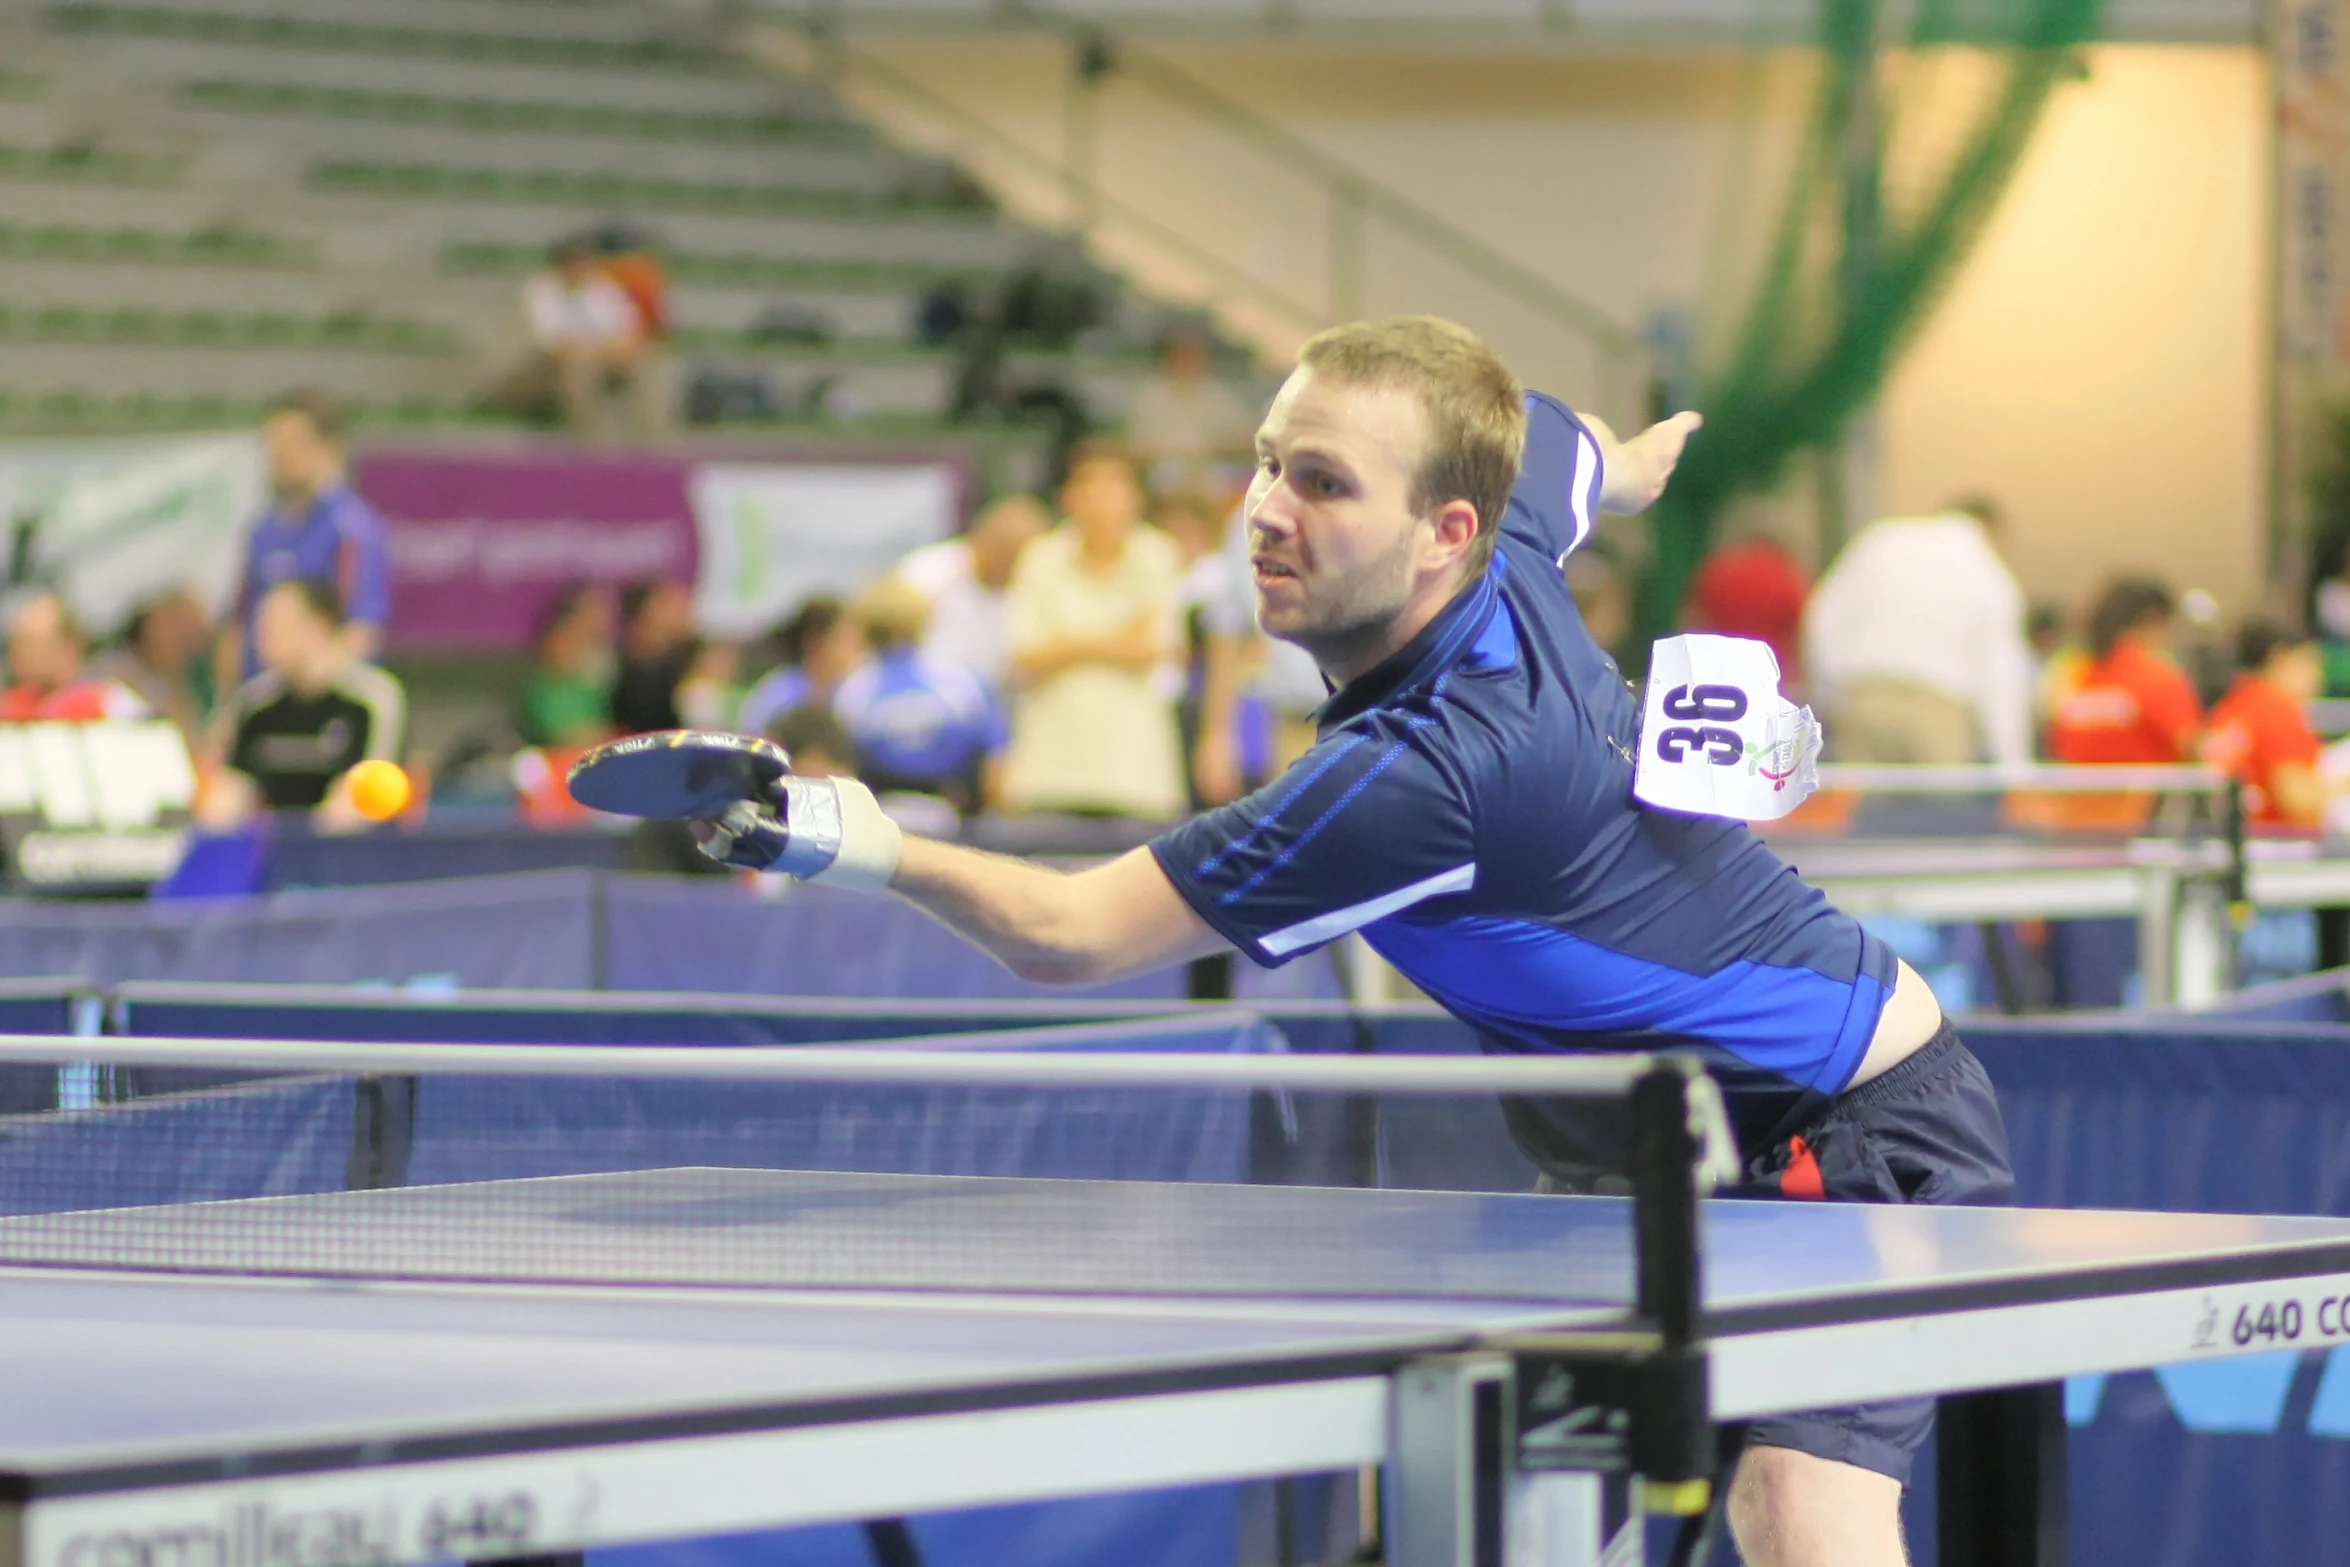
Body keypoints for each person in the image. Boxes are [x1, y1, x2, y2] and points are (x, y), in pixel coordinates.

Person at [687, 315, 2008, 1567]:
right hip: (1635, 1154)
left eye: (1320, 482)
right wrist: (1633, 461)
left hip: (1842, 1126)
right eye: (1265, 461)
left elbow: (1069, 930)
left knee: (1798, 1510)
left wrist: (838, 833)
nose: (1265, 509)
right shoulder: (1511, 522)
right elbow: (1572, 445)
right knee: (1475, 1482)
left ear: (1442, 531)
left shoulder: (1420, 774)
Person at [999, 440, 1185, 819]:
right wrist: (1116, 639)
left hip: (1136, 776)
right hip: (1049, 773)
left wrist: (1069, 642)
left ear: (1135, 497)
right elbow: (1026, 656)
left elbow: (1153, 648)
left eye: (1115, 486)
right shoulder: (1040, 558)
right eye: (1089, 485)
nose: (1101, 499)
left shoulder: (1157, 555)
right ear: (1069, 496)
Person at [1802, 496, 2032, 765]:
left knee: (1863, 803)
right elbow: (2001, 674)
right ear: (1991, 530)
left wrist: (1829, 697)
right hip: (1939, 705)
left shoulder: (1879, 540)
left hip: (1864, 698)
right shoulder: (1984, 567)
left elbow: (1822, 618)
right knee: (1938, 805)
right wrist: (2014, 766)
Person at [220, 389, 390, 688]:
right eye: (273, 443)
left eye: (292, 443)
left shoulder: (351, 528)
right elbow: (239, 624)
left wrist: (316, 688)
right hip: (262, 698)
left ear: (328, 446)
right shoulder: (263, 531)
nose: (279, 454)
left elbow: (361, 629)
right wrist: (229, 704)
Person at [209, 578, 406, 824]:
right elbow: (231, 789)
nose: (263, 638)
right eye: (261, 626)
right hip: (274, 850)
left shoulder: (370, 699)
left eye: (278, 625)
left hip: (349, 850)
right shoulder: (255, 703)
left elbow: (361, 798)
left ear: (319, 626)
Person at [831, 577, 1004, 815]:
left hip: (877, 814)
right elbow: (995, 761)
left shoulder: (852, 689)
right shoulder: (961, 681)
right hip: (953, 813)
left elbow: (840, 767)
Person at [496, 235, 668, 445]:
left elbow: (625, 331)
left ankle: (656, 441)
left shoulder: (602, 288)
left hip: (599, 358)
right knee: (579, 365)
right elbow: (550, 342)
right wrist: (593, 347)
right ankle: (592, 443)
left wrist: (614, 349)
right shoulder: (541, 290)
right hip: (547, 368)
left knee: (644, 360)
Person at [892, 493, 1050, 693]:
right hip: (919, 699)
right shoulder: (925, 575)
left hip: (987, 707)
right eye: (1008, 558)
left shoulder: (1023, 592)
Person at [2048, 577, 2202, 765]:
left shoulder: (2072, 676)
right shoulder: (2158, 677)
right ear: (2153, 620)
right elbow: (2191, 745)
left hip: (2078, 791)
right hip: (2148, 791)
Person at [2203, 619, 2327, 828]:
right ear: (2280, 658)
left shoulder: (2230, 705)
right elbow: (2298, 798)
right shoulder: (2278, 710)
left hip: (2237, 835)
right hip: (2278, 842)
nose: (2318, 676)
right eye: (2310, 662)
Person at [1126, 328, 1256, 493]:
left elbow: (1242, 435)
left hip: (1207, 466)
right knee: (1168, 476)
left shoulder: (1216, 395)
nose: (1187, 362)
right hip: (1164, 466)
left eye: (1193, 357)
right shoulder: (1152, 398)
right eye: (1182, 356)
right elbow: (1137, 444)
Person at [1685, 531, 1809, 688]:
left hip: (1722, 669)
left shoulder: (1720, 571)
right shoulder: (1786, 575)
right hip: (1773, 673)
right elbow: (1800, 630)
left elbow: (1696, 622)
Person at [0, 592, 148, 721]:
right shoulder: (10, 707)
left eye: (32, 645)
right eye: (17, 644)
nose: (20, 655)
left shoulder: (110, 705)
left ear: (68, 646)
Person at [737, 596, 869, 738]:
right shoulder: (779, 694)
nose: (856, 652)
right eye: (845, 641)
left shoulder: (850, 693)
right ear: (816, 643)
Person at [95, 589, 213, 746]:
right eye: (177, 628)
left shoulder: (179, 680)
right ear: (152, 622)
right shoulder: (118, 672)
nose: (186, 643)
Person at [516, 585, 616, 750]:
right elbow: (565, 737)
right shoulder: (544, 691)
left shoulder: (589, 689)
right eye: (566, 640)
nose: (573, 647)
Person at [607, 579, 698, 736]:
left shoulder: (686, 664)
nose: (682, 609)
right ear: (643, 614)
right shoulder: (614, 671)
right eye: (667, 603)